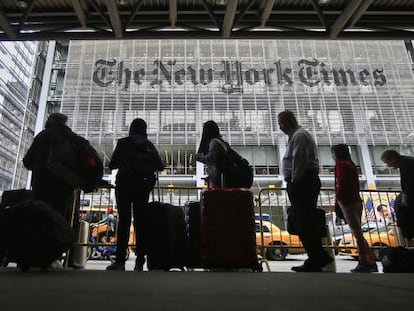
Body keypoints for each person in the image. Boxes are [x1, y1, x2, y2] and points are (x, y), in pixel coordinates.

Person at [23, 112, 88, 269]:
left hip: (41, 185)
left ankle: (36, 255)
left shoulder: (41, 137)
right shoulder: (68, 135)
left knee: (39, 219)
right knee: (60, 219)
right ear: (63, 123)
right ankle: (58, 257)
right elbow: (84, 146)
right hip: (62, 185)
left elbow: (27, 161)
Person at [278, 110, 334, 272]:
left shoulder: (299, 136)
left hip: (302, 182)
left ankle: (317, 257)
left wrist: (295, 181)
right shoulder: (297, 136)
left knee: (304, 220)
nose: (280, 127)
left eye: (281, 123)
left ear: (289, 121)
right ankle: (317, 256)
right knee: (304, 219)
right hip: (302, 181)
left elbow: (299, 160)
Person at [106, 118, 164, 271]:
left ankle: (120, 261)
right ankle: (140, 261)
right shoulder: (149, 145)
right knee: (141, 222)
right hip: (143, 188)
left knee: (124, 222)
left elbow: (112, 164)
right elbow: (160, 165)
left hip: (124, 186)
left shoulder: (123, 143)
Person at [332, 144, 378, 273]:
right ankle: (370, 260)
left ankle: (364, 261)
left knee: (356, 233)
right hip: (356, 200)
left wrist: (339, 198)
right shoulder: (351, 165)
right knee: (358, 232)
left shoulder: (341, 165)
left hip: (347, 201)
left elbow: (341, 182)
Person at [380, 149, 414, 241]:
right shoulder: (407, 162)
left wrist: (406, 195)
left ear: (393, 159)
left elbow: (410, 182)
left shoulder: (407, 164)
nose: (388, 166)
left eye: (387, 162)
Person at [195, 120, 228, 188]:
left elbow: (210, 159)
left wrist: (198, 157)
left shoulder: (214, 142)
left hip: (218, 180)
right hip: (224, 178)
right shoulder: (222, 142)